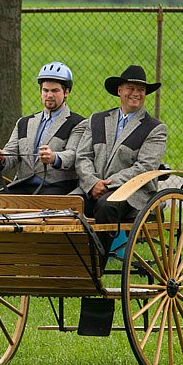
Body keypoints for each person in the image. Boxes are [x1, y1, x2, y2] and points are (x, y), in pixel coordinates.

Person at [72, 64, 167, 253]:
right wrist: (92, 183)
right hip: (93, 188)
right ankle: (64, 265)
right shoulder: (97, 120)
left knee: (106, 206)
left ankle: (95, 268)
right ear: (119, 91)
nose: (136, 93)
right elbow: (82, 156)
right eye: (131, 88)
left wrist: (108, 184)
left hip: (132, 194)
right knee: (67, 205)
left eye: (141, 90)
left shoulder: (154, 128)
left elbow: (145, 167)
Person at [0, 62, 86, 194]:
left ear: (66, 92)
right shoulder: (24, 122)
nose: (49, 95)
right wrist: (2, 158)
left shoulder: (78, 123)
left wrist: (54, 158)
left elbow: (73, 154)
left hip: (57, 187)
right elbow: (12, 152)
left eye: (55, 91)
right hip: (23, 184)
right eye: (45, 90)